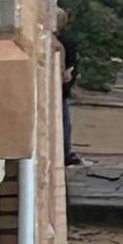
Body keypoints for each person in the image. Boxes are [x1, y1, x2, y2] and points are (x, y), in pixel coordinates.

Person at [56, 9, 81, 167]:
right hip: (62, 90)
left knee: (64, 122)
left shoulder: (67, 43)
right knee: (64, 122)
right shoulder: (67, 42)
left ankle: (65, 152)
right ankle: (65, 152)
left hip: (62, 89)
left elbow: (71, 70)